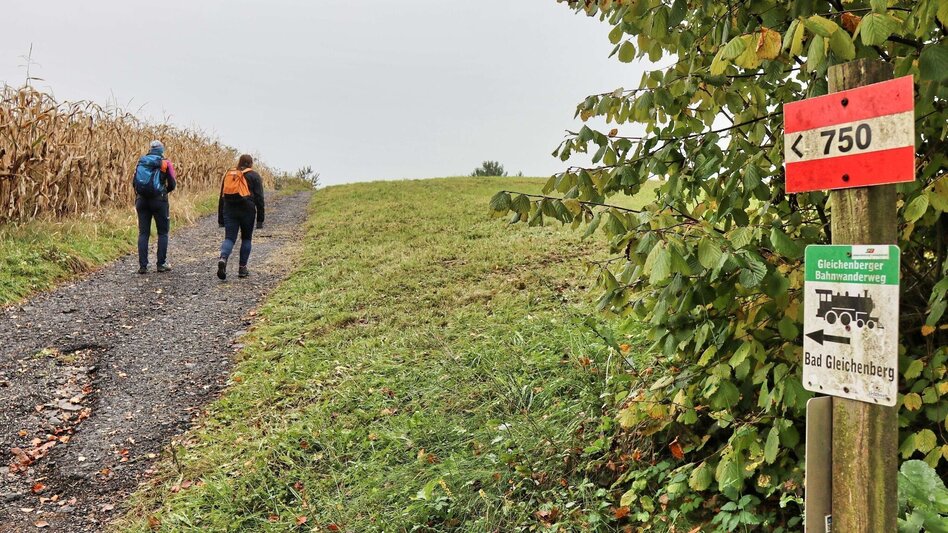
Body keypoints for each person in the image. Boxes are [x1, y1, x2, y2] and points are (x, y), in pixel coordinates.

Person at [217, 154, 265, 280]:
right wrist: (260, 219)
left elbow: (222, 196)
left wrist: (220, 219)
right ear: (251, 164)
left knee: (229, 238)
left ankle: (223, 258)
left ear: (239, 162)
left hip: (229, 210)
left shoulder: (230, 174)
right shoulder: (254, 176)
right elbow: (260, 198)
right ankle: (242, 268)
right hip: (247, 211)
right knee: (246, 238)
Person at [133, 140, 177, 274]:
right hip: (159, 201)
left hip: (141, 200)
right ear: (161, 150)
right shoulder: (165, 163)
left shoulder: (142, 161)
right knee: (162, 233)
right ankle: (161, 264)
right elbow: (173, 183)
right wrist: (163, 192)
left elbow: (134, 182)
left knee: (143, 233)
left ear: (150, 149)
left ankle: (143, 266)